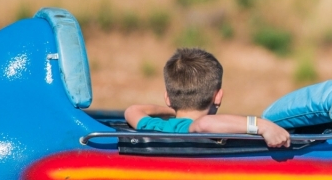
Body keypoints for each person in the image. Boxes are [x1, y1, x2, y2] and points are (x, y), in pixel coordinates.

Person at [124, 47, 291, 148]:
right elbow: (205, 123)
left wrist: (172, 108)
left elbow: (132, 110)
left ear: (167, 98)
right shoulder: (195, 129)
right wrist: (262, 125)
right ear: (218, 97)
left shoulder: (155, 126)